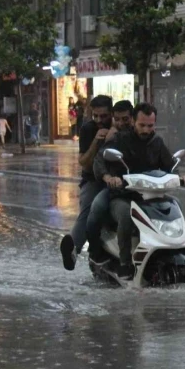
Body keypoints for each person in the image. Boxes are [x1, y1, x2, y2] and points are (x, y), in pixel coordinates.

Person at [87, 102, 185, 278]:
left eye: (150, 125)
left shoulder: (156, 142)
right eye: (141, 125)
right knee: (125, 214)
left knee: (176, 205)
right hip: (123, 195)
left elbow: (169, 165)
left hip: (150, 195)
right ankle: (125, 264)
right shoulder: (120, 139)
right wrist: (108, 178)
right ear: (134, 122)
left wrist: (180, 177)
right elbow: (100, 160)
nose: (146, 129)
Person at [59, 95, 115, 271]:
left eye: (104, 116)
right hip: (93, 179)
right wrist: (97, 141)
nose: (99, 120)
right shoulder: (88, 129)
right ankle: (73, 250)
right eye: (96, 116)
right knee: (89, 210)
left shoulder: (120, 127)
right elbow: (84, 162)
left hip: (119, 179)